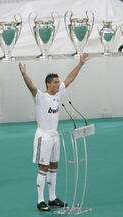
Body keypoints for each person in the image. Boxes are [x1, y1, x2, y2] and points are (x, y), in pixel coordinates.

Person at [18, 53, 89, 211]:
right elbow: (31, 86)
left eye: (58, 82)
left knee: (54, 166)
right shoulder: (41, 97)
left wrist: (81, 64)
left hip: (55, 135)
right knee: (43, 167)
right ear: (48, 84)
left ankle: (52, 197)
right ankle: (40, 200)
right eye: (56, 82)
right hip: (43, 136)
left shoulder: (58, 94)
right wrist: (24, 74)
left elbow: (70, 78)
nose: (59, 84)